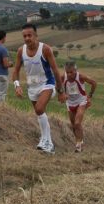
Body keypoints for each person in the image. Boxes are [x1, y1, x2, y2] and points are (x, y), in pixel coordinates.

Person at [12, 23, 66, 154]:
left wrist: (60, 91)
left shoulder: (45, 49)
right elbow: (16, 71)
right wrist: (17, 86)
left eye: (29, 35)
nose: (27, 38)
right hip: (32, 86)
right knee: (39, 113)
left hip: (47, 83)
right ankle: (48, 143)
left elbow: (55, 71)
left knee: (39, 108)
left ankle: (45, 141)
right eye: (24, 36)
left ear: (36, 35)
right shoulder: (21, 51)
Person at [62, 61, 97, 153]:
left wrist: (90, 96)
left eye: (71, 72)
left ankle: (78, 145)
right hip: (70, 103)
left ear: (75, 70)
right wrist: (61, 93)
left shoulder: (80, 77)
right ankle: (80, 141)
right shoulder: (63, 77)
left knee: (77, 123)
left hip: (81, 101)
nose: (69, 74)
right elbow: (56, 84)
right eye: (67, 72)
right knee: (74, 125)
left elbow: (94, 83)